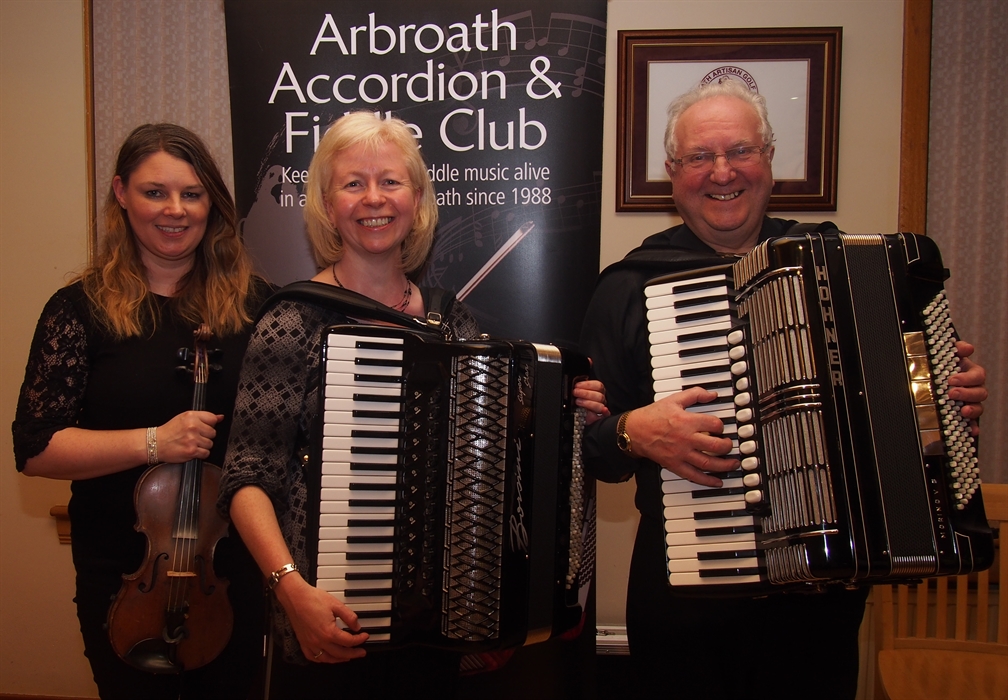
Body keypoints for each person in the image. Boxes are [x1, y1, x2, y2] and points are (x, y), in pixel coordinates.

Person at [580, 78, 989, 700]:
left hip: (821, 596)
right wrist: (635, 431)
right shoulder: (627, 287)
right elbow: (587, 445)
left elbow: (914, 400)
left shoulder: (840, 263)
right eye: (699, 157)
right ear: (673, 172)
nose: (722, 172)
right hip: (687, 592)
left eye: (740, 151)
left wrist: (944, 403)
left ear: (769, 161)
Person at [218, 111, 608, 699]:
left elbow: (501, 464)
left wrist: (570, 414)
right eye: (353, 183)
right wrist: (290, 589)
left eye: (391, 182)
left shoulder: (451, 321)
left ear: (418, 198)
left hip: (439, 629)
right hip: (327, 622)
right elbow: (247, 476)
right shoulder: (292, 320)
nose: (373, 198)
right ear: (326, 204)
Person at [12, 123, 273, 699]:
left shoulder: (259, 309)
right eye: (155, 192)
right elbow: (35, 448)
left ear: (214, 203)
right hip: (124, 574)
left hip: (230, 575)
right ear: (121, 194)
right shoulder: (78, 311)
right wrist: (154, 442)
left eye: (192, 193)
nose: (174, 210)